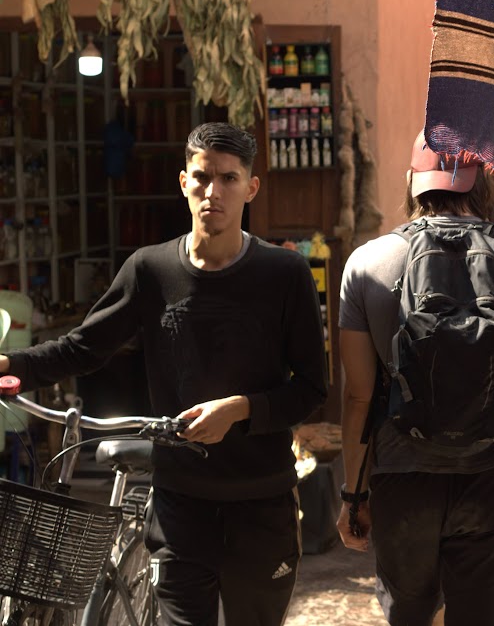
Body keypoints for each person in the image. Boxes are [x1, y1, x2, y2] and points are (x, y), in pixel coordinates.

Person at [0, 122, 328, 626]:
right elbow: (85, 347)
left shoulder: (283, 275)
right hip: (179, 502)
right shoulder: (150, 270)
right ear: (183, 181)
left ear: (251, 187)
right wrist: (13, 366)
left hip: (261, 501)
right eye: (201, 177)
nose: (212, 192)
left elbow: (311, 388)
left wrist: (240, 410)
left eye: (228, 178)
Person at [336, 131, 494, 626]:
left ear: (413, 182)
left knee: (409, 616)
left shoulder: (367, 263)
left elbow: (357, 396)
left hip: (401, 474)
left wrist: (353, 495)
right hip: (489, 474)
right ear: (483, 184)